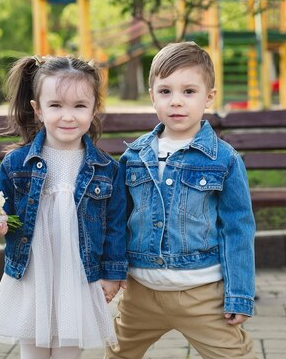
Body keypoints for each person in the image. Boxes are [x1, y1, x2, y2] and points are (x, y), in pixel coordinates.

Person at [106, 41, 258, 359]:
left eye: (189, 91)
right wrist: (112, 270)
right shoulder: (134, 156)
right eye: (166, 92)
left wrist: (239, 295)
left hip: (202, 294)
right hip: (141, 294)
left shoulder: (224, 159)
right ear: (152, 96)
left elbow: (238, 229)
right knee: (117, 354)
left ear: (209, 97)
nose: (176, 102)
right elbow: (118, 220)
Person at [0, 55, 127, 359]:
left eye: (79, 106)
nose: (68, 116)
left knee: (67, 352)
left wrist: (112, 274)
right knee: (33, 352)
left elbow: (116, 227)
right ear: (37, 109)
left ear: (94, 108)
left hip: (76, 277)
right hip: (33, 275)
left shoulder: (107, 170)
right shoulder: (16, 164)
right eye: (56, 106)